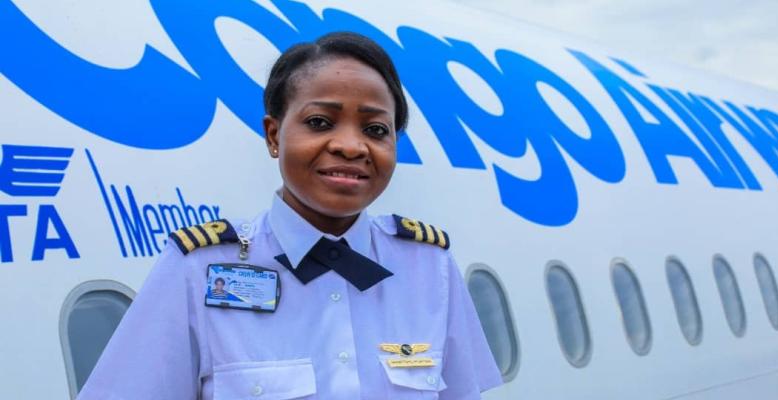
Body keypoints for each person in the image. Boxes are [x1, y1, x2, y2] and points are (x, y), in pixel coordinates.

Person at [78, 31, 503, 399]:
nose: (352, 147)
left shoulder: (431, 269)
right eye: (320, 122)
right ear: (274, 134)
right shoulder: (198, 270)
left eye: (376, 130)